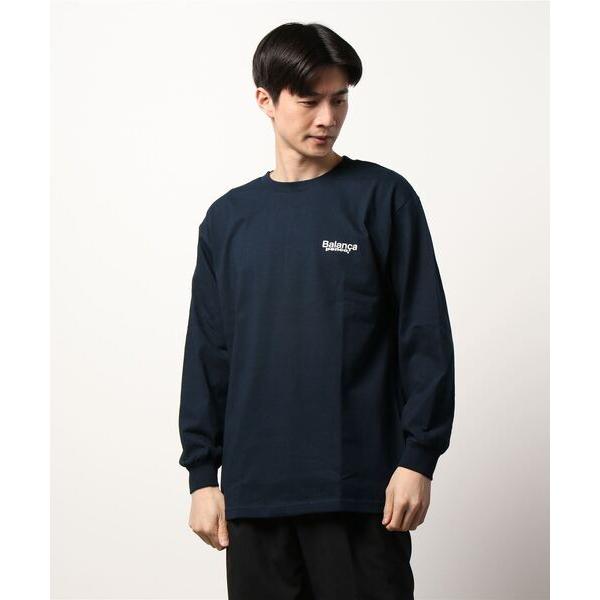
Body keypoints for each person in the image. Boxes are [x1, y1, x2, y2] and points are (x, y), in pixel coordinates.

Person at [178, 21, 455, 600]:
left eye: (340, 99)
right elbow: (208, 352)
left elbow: (424, 334)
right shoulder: (228, 221)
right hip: (255, 499)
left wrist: (418, 459)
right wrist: (202, 475)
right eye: (309, 101)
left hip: (359, 493)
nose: (328, 117)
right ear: (265, 100)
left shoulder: (383, 198)